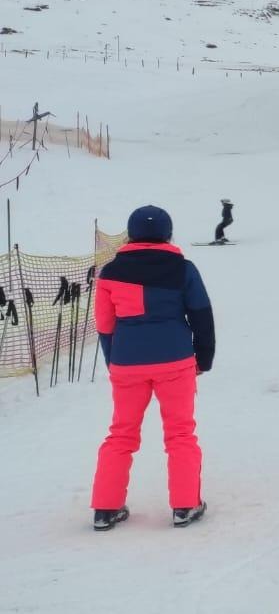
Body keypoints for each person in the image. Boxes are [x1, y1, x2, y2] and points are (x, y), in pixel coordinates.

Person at [90, 205, 215, 531]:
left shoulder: (110, 272)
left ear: (131, 235)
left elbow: (105, 324)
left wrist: (114, 360)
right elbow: (201, 315)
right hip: (175, 360)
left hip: (127, 363)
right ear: (168, 234)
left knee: (121, 433)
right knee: (180, 433)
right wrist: (203, 358)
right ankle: (185, 505)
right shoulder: (183, 269)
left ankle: (105, 508)